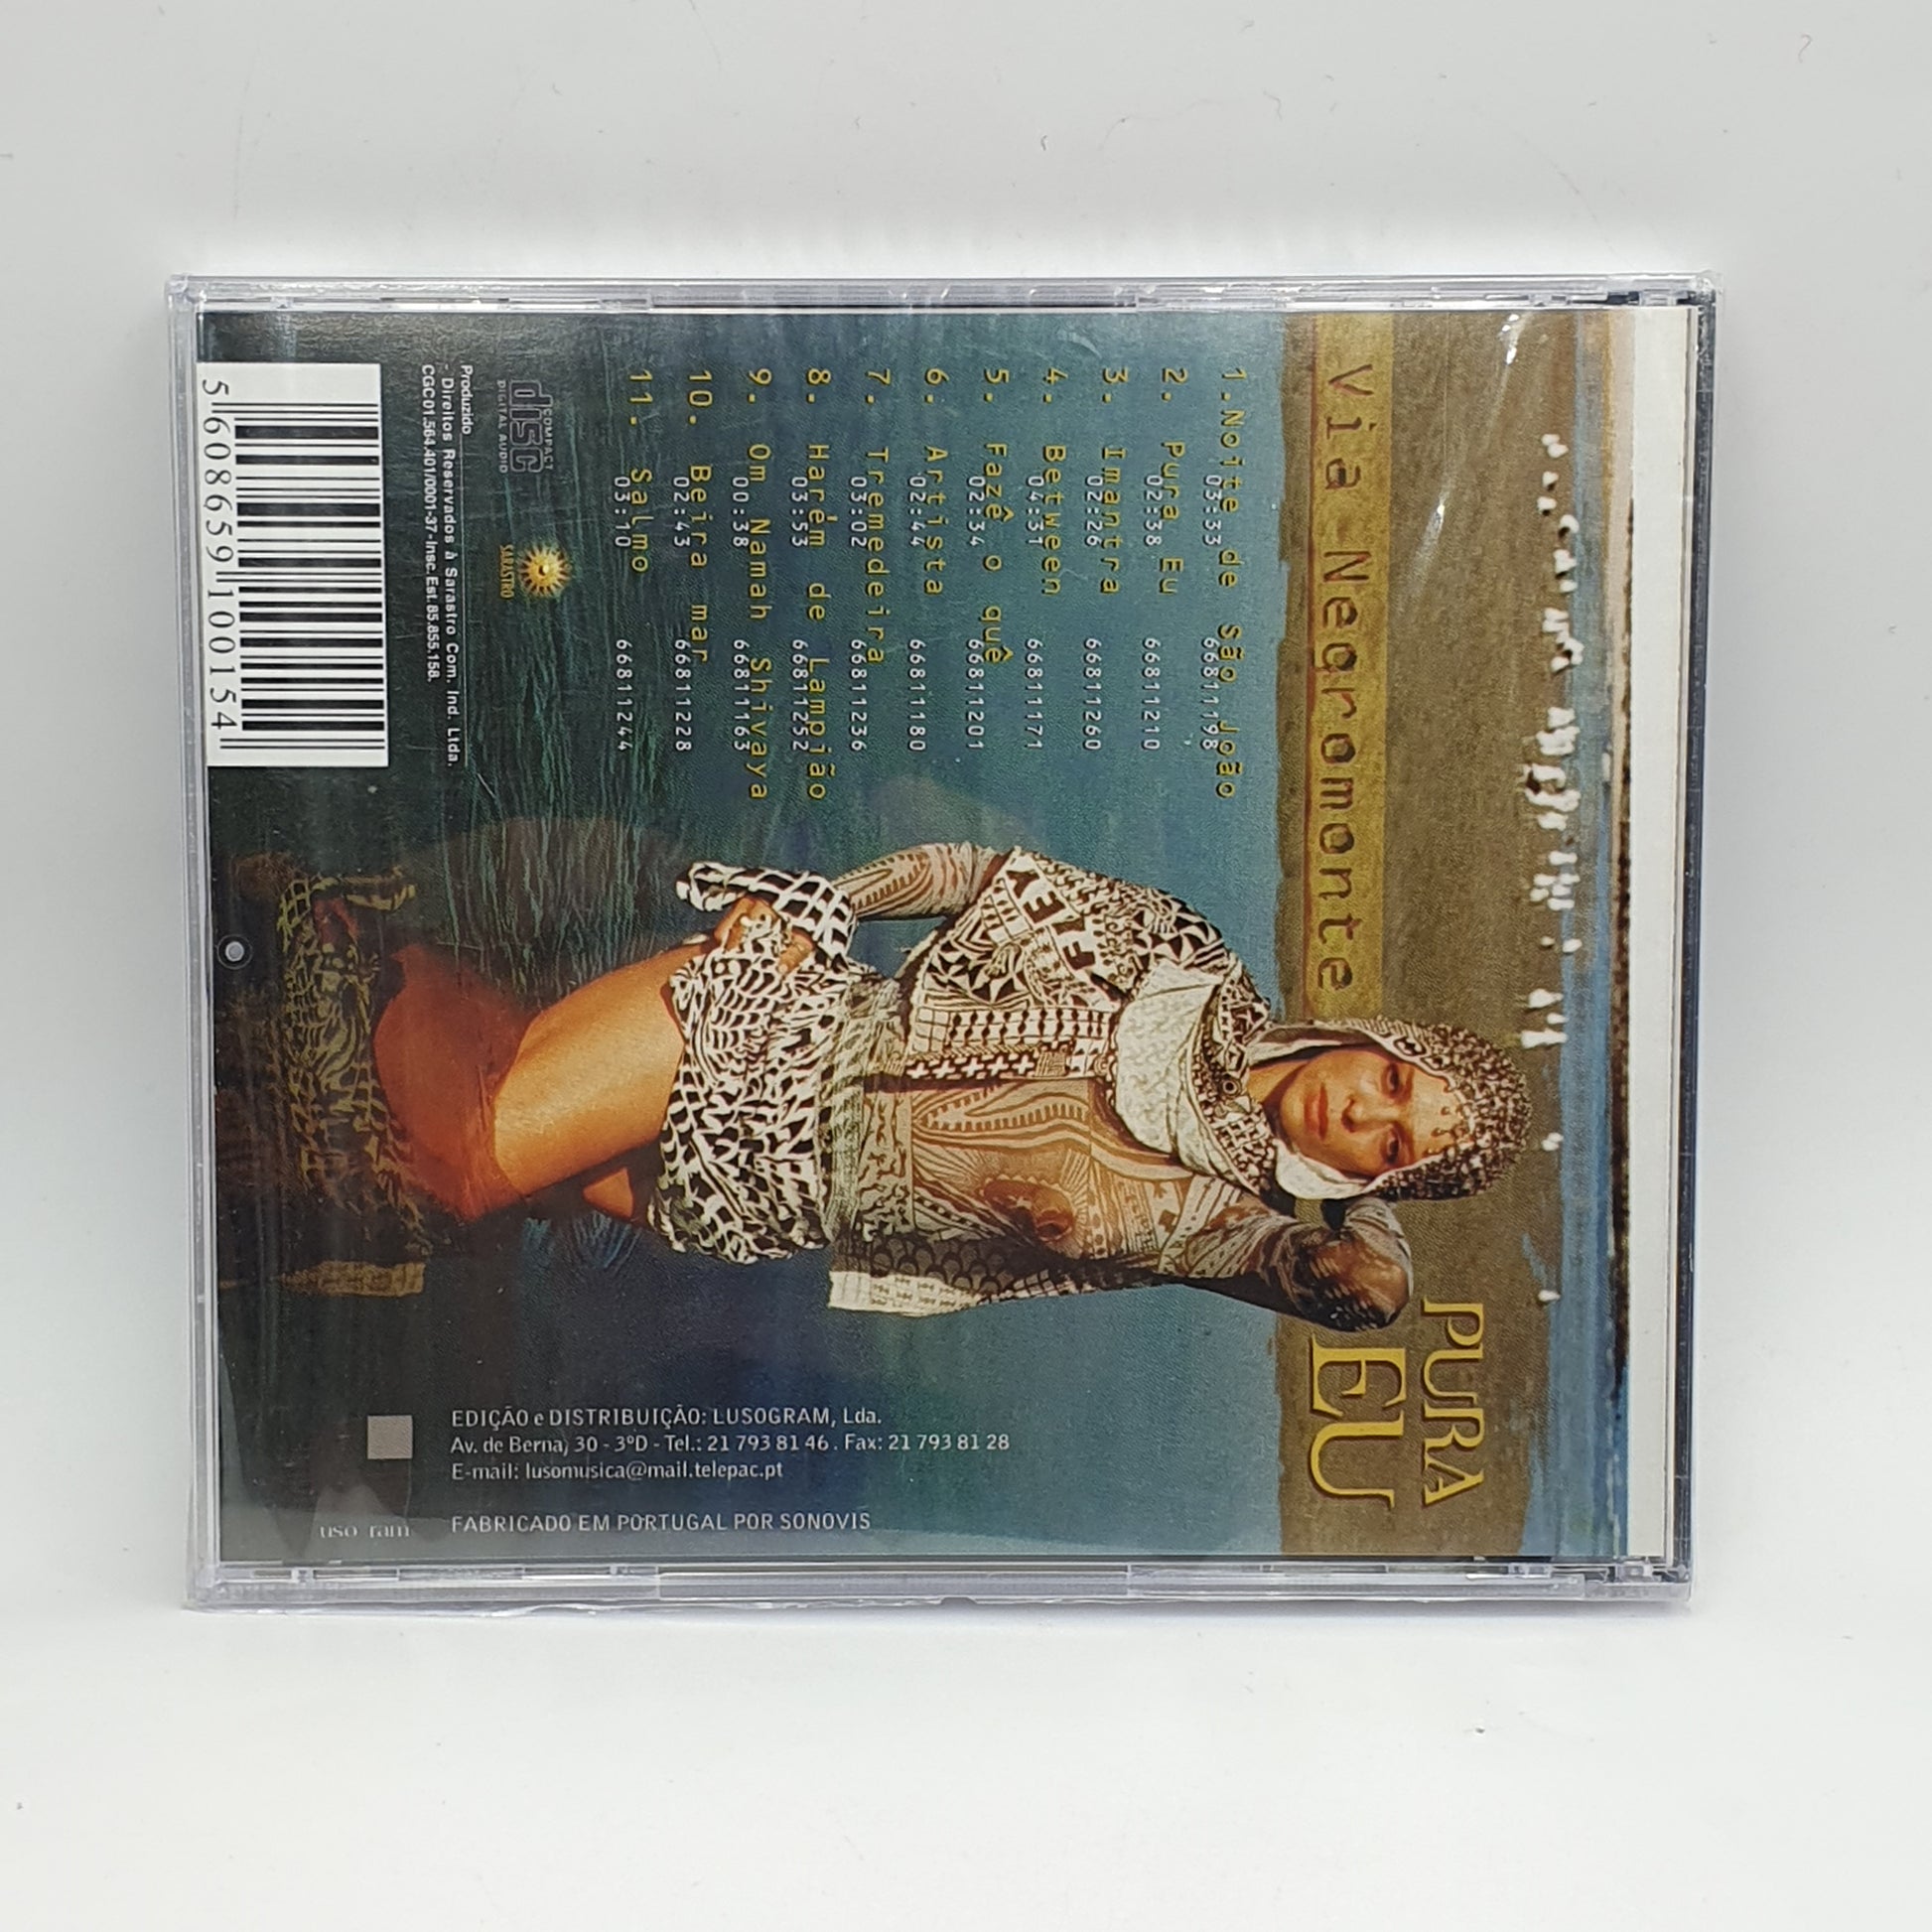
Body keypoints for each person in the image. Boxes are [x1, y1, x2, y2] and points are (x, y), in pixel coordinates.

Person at [363, 842, 1531, 1331]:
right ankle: (353, 944)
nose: (1361, 1108)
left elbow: (1364, 1293)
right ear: (1370, 1038)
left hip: (748, 1206)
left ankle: (369, 943)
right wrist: (826, 903)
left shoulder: (1220, 1224)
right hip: (766, 1028)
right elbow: (973, 872)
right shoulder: (1186, 960)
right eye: (1391, 1078)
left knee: (435, 1124)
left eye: (1391, 1142)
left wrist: (1359, 1200)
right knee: (454, 1170)